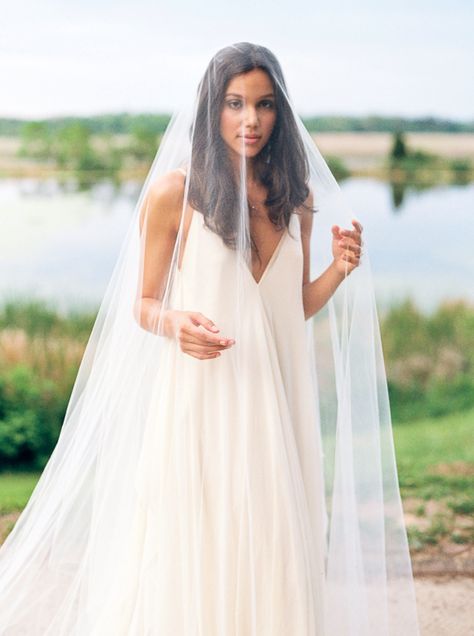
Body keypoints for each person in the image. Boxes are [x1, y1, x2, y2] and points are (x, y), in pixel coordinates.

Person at [0, 42, 420, 635]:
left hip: (277, 403)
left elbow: (289, 309)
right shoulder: (176, 192)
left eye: (264, 104)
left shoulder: (295, 199)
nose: (250, 119)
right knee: (198, 543)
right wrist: (176, 324)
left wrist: (339, 269)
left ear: (280, 112)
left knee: (277, 544)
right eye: (235, 103)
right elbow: (143, 304)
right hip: (204, 400)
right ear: (211, 109)